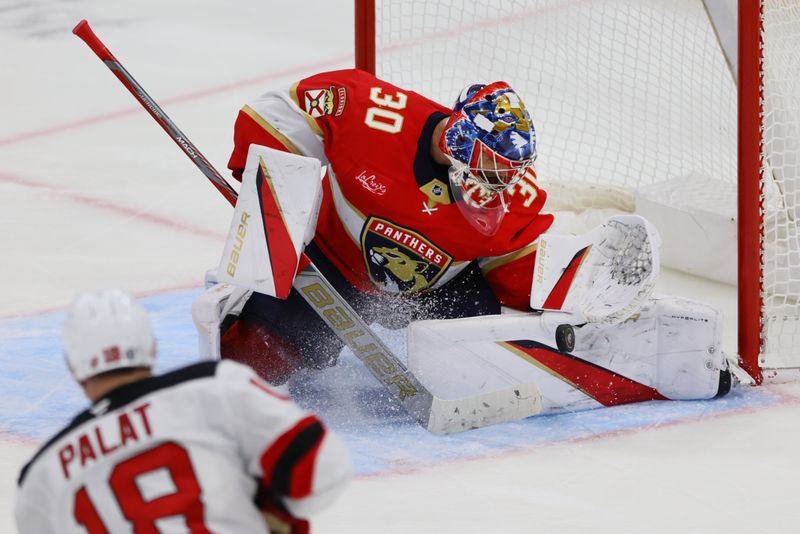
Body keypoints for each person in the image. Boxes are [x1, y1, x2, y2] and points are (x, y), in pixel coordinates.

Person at [194, 68, 735, 405]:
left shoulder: (509, 200)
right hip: (331, 267)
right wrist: (275, 199)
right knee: (253, 360)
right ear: (458, 136)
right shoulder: (372, 113)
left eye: (511, 169)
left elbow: (515, 263)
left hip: (435, 290)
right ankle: (272, 327)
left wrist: (576, 280)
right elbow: (273, 112)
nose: (503, 182)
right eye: (493, 165)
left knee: (482, 355)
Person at [16, 289, 351, 534]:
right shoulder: (216, 386)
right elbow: (324, 464)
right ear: (151, 347)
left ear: (73, 368)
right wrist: (277, 511)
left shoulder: (42, 475)